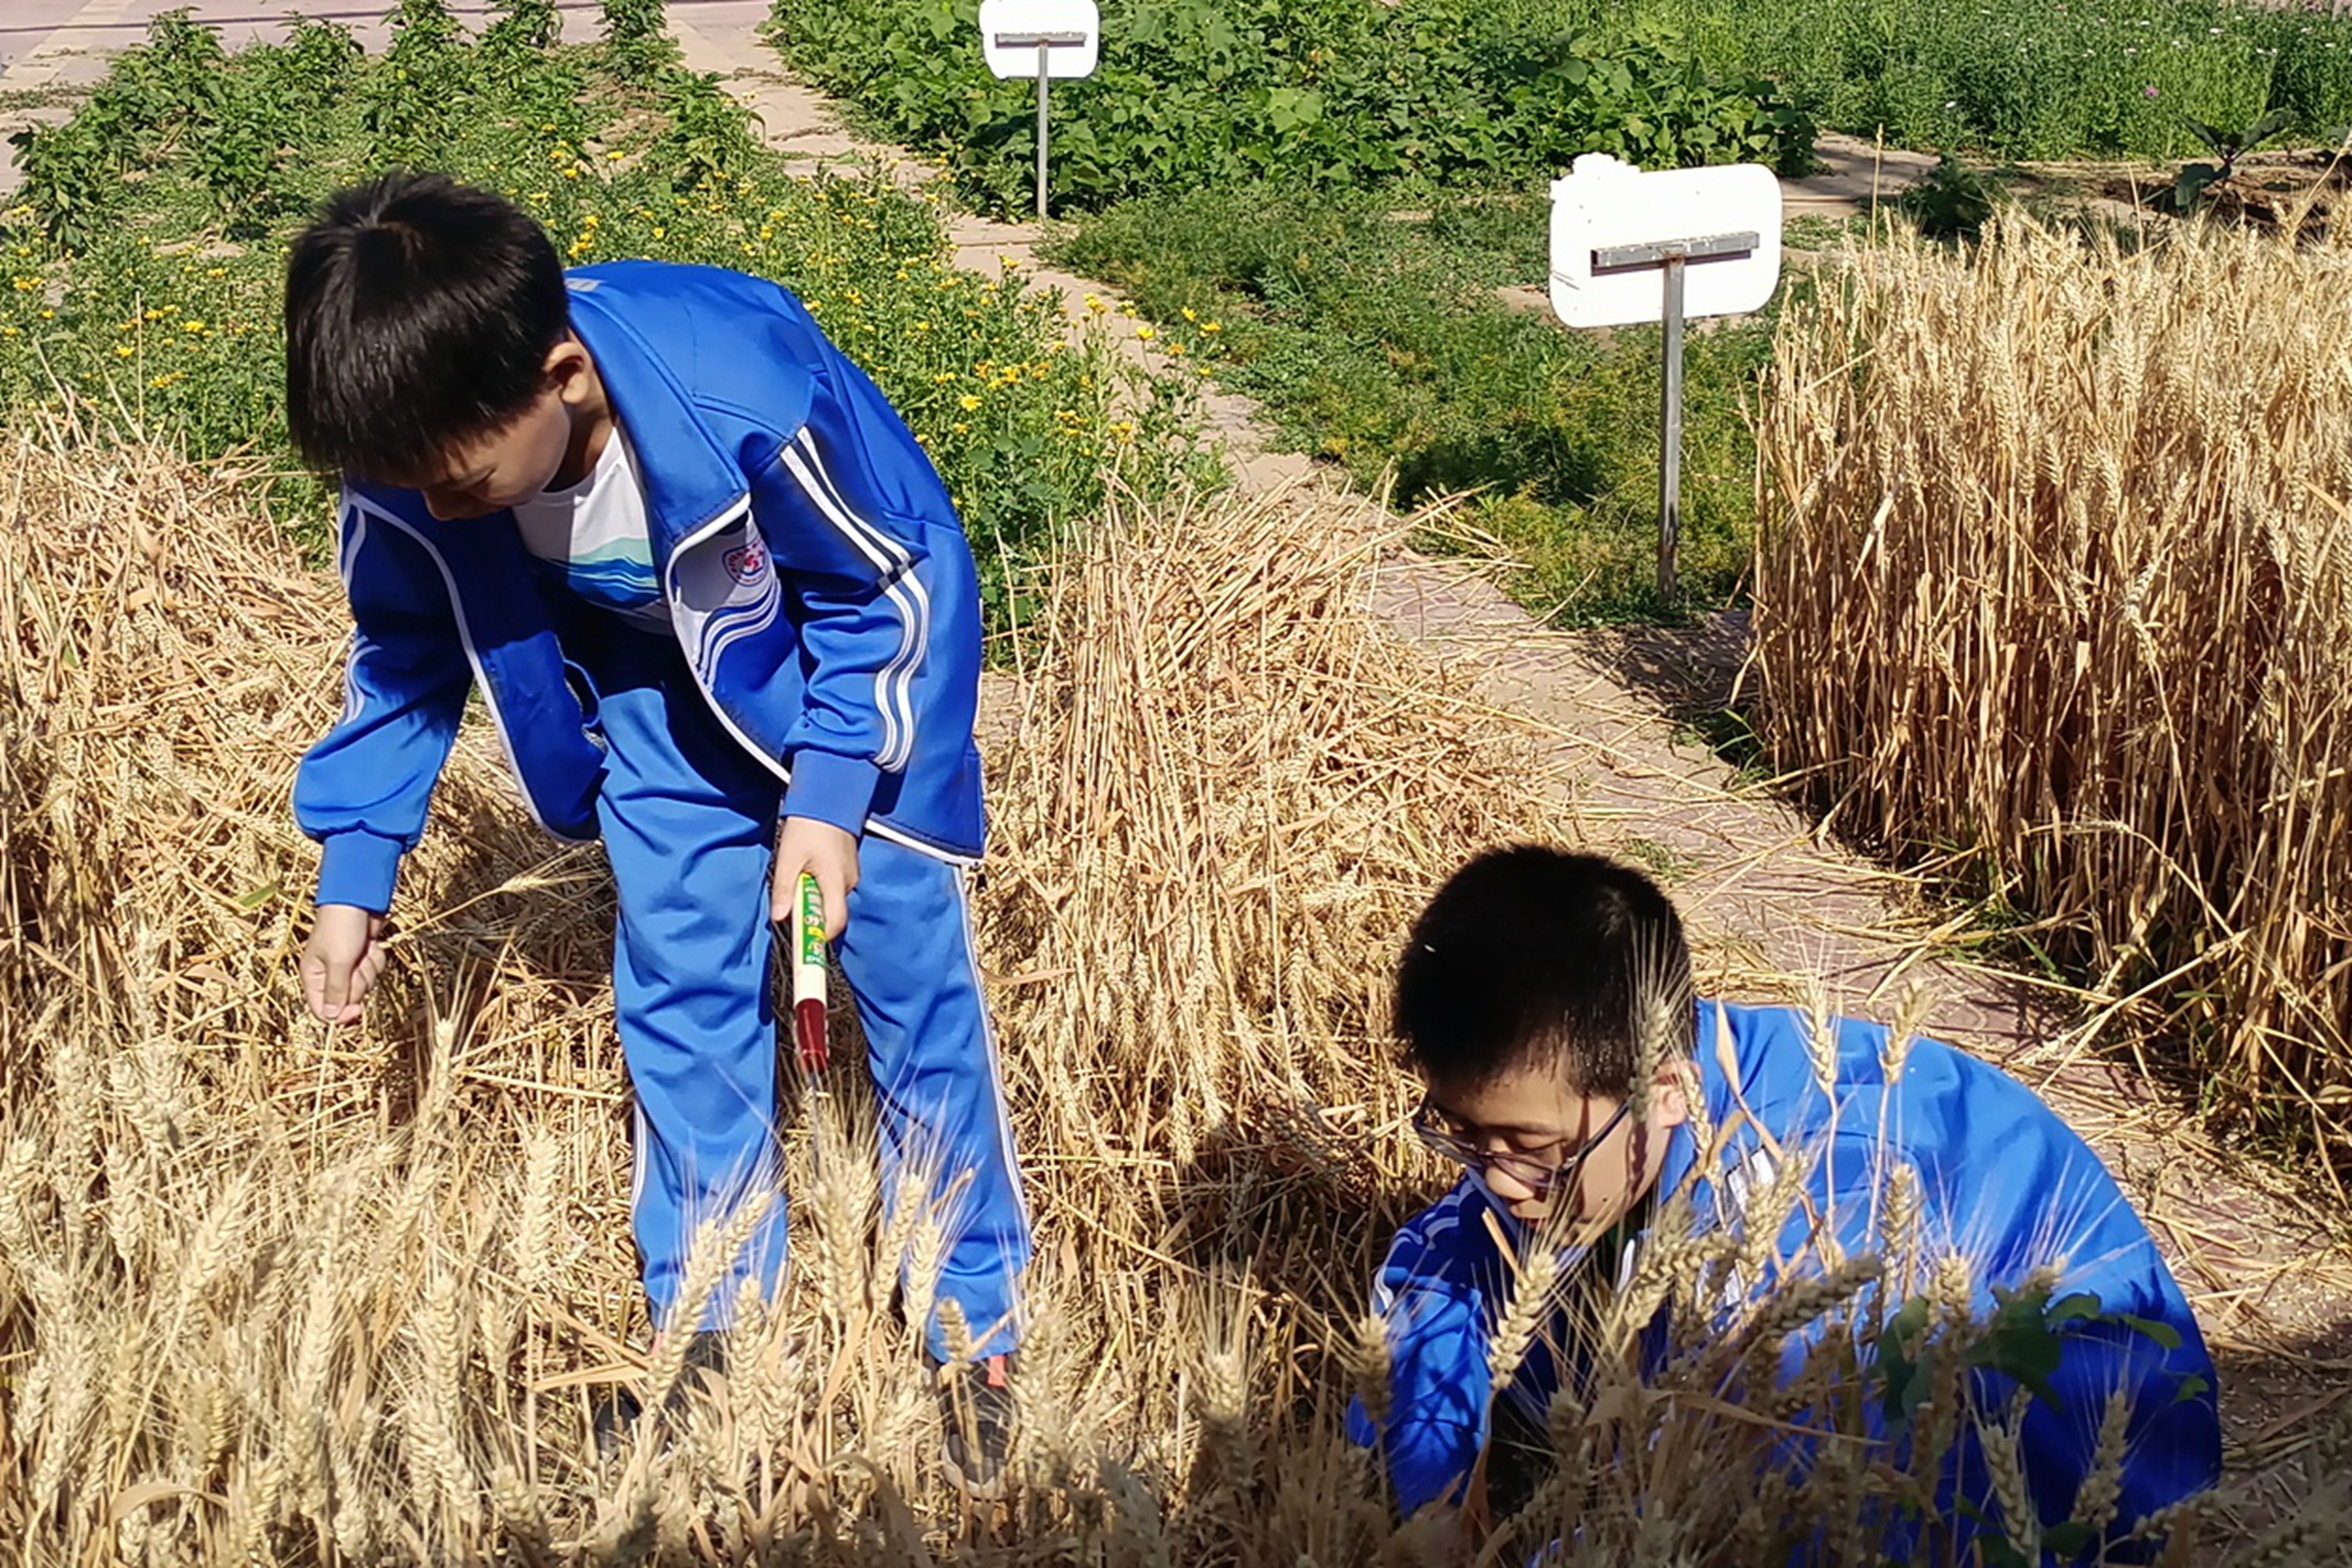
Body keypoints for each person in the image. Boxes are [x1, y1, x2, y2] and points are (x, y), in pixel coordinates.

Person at [284, 172, 1029, 1487]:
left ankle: (974, 1328)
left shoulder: (740, 385)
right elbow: (405, 651)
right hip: (656, 701)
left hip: (851, 686)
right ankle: (714, 1332)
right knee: (682, 993)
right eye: (408, 489)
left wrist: (829, 799)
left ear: (563, 373)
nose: (438, 511)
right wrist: (358, 870)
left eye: (461, 485)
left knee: (910, 986)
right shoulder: (413, 453)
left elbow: (894, 578)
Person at [1350, 845, 2220, 1560]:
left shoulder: (1827, 1185)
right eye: (1463, 1132)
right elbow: (1441, 1272)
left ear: (1664, 1090)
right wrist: (1435, 1498)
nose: (1497, 1179)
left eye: (1530, 1150)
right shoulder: (1573, 1101)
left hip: (2060, 1477)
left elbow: (1748, 1483)